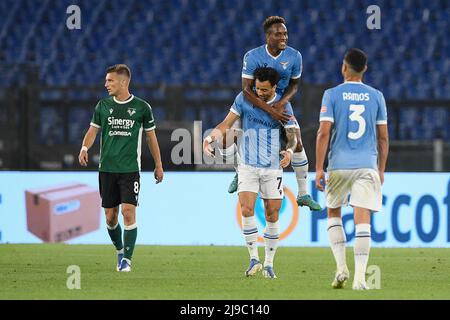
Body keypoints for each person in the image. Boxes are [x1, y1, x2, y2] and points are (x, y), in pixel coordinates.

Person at [204, 67, 298, 278]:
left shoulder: (284, 105)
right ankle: (254, 259)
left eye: (265, 90)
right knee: (246, 209)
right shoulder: (244, 98)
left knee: (272, 214)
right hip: (247, 164)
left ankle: (269, 264)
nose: (260, 93)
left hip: (273, 166)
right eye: (257, 88)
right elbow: (226, 123)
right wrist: (209, 139)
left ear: (274, 87)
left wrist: (290, 152)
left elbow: (292, 135)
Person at [224, 15, 321, 212]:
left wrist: (282, 103)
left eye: (285, 33)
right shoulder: (252, 56)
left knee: (298, 141)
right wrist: (269, 110)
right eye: (279, 34)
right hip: (253, 102)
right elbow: (246, 89)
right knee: (233, 136)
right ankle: (239, 172)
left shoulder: (295, 56)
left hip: (280, 103)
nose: (284, 37)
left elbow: (294, 84)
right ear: (268, 37)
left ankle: (303, 194)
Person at [78, 64, 164, 272]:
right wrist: (84, 147)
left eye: (110, 80)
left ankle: (127, 260)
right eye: (106, 80)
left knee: (128, 212)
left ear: (123, 82)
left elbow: (151, 137)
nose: (106, 84)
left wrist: (158, 165)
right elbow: (92, 131)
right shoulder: (103, 106)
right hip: (106, 169)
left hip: (129, 170)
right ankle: (119, 249)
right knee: (110, 216)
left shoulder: (142, 107)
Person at [315, 48, 389, 290]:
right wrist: (381, 169)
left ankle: (340, 268)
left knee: (333, 213)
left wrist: (318, 168)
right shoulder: (377, 96)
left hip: (339, 165)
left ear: (343, 67)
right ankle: (359, 279)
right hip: (367, 164)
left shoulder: (332, 95)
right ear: (365, 69)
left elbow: (323, 132)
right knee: (362, 218)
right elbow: (383, 139)